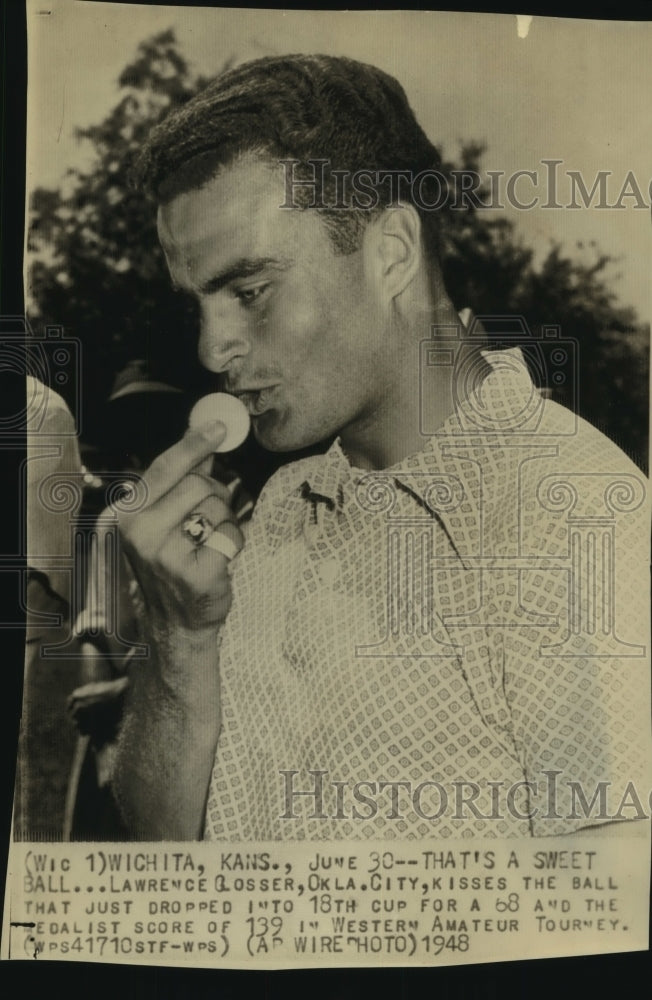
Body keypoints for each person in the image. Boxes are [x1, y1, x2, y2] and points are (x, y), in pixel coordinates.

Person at [109, 55, 650, 841]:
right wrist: (179, 641)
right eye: (200, 304)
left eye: (250, 291)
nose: (211, 349)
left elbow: (613, 931)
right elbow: (163, 856)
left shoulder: (574, 517)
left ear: (391, 252)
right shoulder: (276, 511)